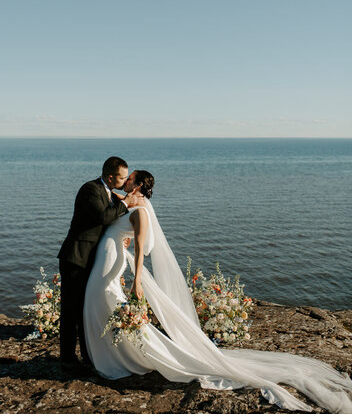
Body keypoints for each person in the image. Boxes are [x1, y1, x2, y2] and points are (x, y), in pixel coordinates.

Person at [83, 170, 352, 413]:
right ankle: (116, 355)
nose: (125, 180)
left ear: (138, 184)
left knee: (113, 308)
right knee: (106, 308)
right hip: (107, 262)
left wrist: (137, 280)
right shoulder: (130, 203)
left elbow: (142, 248)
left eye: (129, 178)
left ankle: (129, 357)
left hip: (114, 267)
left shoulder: (140, 211)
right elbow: (115, 200)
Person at [57, 156, 145, 368]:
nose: (125, 182)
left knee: (86, 309)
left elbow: (109, 222)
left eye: (127, 178)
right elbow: (103, 217)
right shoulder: (90, 189)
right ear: (110, 176)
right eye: (122, 177)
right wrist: (125, 203)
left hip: (92, 260)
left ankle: (90, 357)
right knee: (71, 310)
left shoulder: (109, 193)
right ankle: (67, 359)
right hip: (76, 258)